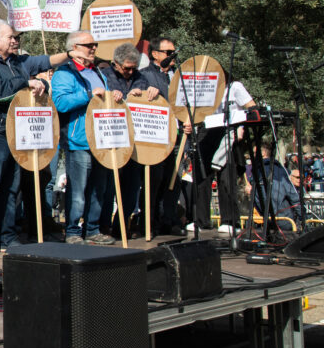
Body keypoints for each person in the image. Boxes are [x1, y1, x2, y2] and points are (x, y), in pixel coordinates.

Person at [0, 19, 66, 254]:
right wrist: (26, 81)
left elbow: (46, 61)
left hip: (16, 131)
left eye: (16, 37)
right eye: (10, 37)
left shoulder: (17, 61)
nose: (15, 40)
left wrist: (72, 53)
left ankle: (7, 237)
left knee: (11, 188)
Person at [51, 30, 118, 245]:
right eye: (89, 45)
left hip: (102, 141)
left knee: (99, 189)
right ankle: (72, 231)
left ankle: (93, 229)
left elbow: (103, 100)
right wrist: (88, 95)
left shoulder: (98, 71)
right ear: (74, 48)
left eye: (94, 44)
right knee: (78, 191)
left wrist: (114, 96)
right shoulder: (65, 73)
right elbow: (60, 103)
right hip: (78, 141)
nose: (94, 48)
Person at [100, 42, 157, 237]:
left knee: (131, 188)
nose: (130, 72)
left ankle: (121, 226)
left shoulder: (140, 78)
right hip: (112, 141)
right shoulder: (104, 76)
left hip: (135, 143)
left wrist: (151, 93)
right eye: (127, 68)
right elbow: (99, 103)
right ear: (115, 63)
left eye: (134, 68)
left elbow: (152, 102)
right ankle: (103, 226)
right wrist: (123, 97)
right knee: (108, 189)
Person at [188, 75, 256, 237]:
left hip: (229, 130)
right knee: (202, 176)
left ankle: (230, 220)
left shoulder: (235, 87)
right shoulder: (204, 88)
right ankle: (201, 220)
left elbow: (252, 107)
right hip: (207, 130)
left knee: (226, 178)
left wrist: (242, 126)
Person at [139, 36, 188, 235]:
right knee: (154, 180)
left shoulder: (179, 76)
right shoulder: (144, 76)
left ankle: (170, 219)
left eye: (174, 53)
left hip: (177, 137)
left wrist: (189, 119)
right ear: (155, 54)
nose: (173, 56)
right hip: (155, 139)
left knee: (173, 179)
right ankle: (149, 222)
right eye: (169, 53)